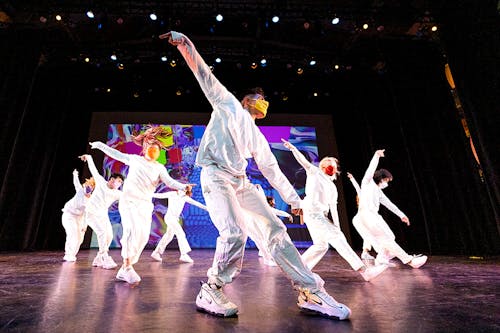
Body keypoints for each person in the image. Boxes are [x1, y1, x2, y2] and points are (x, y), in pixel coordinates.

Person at [161, 31, 351, 320]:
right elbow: (203, 74)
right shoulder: (227, 104)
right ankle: (211, 288)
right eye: (260, 97)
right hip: (215, 176)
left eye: (266, 99)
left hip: (240, 182)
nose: (264, 101)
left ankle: (310, 290)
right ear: (248, 100)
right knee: (236, 232)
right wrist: (185, 44)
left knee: (276, 230)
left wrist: (293, 200)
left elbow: (270, 169)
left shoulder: (258, 136)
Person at [89, 126, 193, 284]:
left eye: (157, 148)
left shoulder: (159, 167)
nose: (154, 150)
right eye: (151, 147)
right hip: (129, 201)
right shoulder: (134, 159)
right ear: (145, 148)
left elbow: (170, 181)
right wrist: (99, 145)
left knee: (143, 236)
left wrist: (183, 187)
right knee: (131, 231)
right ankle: (127, 266)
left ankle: (125, 269)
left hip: (145, 205)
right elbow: (115, 153)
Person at [281, 139, 387, 281]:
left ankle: (297, 268)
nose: (330, 166)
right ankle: (363, 270)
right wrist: (293, 148)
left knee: (321, 245)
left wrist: (337, 225)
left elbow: (333, 208)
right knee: (337, 239)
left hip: (320, 216)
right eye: (327, 163)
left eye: (332, 164)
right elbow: (303, 161)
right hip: (312, 214)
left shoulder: (332, 187)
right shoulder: (315, 173)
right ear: (323, 166)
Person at [352, 149, 427, 268]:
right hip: (366, 215)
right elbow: (371, 169)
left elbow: (389, 204)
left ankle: (381, 259)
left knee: (390, 237)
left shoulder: (379, 191)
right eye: (386, 180)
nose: (386, 183)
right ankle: (408, 260)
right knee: (385, 238)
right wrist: (376, 155)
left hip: (374, 216)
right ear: (380, 178)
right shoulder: (367, 182)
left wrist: (401, 215)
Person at [79, 154, 124, 270]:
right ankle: (105, 257)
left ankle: (98, 258)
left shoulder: (117, 193)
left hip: (103, 215)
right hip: (91, 213)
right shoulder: (100, 182)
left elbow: (131, 197)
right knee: (102, 233)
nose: (119, 184)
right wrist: (88, 157)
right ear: (112, 179)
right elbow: (93, 168)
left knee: (109, 236)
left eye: (121, 183)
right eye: (118, 181)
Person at [150, 190, 207, 263]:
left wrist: (207, 208)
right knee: (181, 234)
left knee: (168, 236)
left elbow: (197, 204)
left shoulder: (185, 197)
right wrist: (148, 193)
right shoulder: (172, 194)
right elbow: (160, 195)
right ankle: (184, 254)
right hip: (170, 218)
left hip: (174, 219)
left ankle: (156, 253)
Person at [61, 169, 94, 262]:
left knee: (80, 237)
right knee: (72, 233)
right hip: (69, 215)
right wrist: (75, 174)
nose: (89, 187)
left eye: (92, 186)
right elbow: (76, 183)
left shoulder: (91, 200)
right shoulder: (80, 191)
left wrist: (84, 225)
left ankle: (72, 254)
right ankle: (68, 254)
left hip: (80, 218)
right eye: (89, 185)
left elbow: (87, 213)